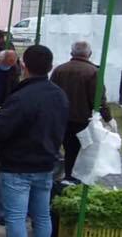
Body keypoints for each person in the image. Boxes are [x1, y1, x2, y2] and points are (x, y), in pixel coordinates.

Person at [0, 45, 69, 237]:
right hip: (47, 164)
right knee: (41, 216)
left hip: (19, 165)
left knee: (16, 217)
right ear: (51, 67)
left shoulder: (22, 97)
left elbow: (0, 130)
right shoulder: (59, 95)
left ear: (23, 66)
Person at [50, 40, 116, 181]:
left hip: (60, 118)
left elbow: (50, 94)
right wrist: (108, 118)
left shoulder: (59, 70)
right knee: (83, 152)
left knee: (67, 149)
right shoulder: (93, 72)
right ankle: (76, 179)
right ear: (89, 54)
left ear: (71, 53)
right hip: (82, 120)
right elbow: (98, 99)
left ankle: (67, 176)